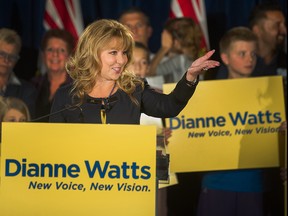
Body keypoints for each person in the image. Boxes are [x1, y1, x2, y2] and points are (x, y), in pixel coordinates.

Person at [49, 18, 219, 124]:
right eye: (113, 53)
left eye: (124, 53)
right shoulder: (66, 96)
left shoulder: (133, 89)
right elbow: (55, 146)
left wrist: (189, 77)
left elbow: (169, 107)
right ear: (92, 54)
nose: (122, 60)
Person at [197, 26, 277, 216]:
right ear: (225, 58)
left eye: (252, 54)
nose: (249, 59)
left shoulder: (269, 95)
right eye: (242, 53)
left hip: (253, 185)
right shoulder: (207, 95)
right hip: (216, 184)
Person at [31, 29, 74, 122]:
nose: (55, 54)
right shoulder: (32, 85)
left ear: (70, 56)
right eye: (50, 49)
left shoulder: (79, 88)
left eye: (61, 50)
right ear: (43, 55)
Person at [148, 17, 205, 83]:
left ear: (175, 42)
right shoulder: (195, 56)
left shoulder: (181, 59)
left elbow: (149, 72)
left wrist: (164, 48)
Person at [0, 28, 37, 117]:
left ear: (16, 60)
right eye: (2, 54)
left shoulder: (27, 91)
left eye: (12, 56)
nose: (6, 60)